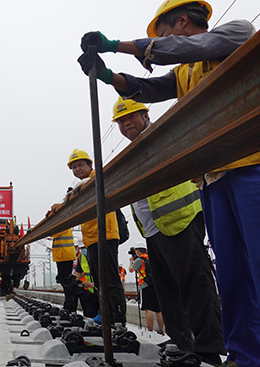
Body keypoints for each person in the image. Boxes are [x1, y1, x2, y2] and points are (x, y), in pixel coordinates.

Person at [78, 1, 257, 362]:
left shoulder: (237, 33)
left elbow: (182, 48)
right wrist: (108, 76)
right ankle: (245, 355)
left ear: (181, 19)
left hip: (252, 166)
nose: (160, 45)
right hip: (214, 177)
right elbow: (151, 87)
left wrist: (116, 45)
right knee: (234, 275)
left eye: (160, 36)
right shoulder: (186, 73)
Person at [109, 97, 225, 364]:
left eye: (131, 118)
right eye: (121, 122)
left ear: (145, 116)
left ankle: (208, 347)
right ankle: (182, 339)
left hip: (180, 218)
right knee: (167, 289)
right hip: (154, 229)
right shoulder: (134, 151)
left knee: (194, 282)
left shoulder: (163, 135)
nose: (127, 125)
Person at [51, 149, 126, 326]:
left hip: (105, 234)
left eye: (80, 165)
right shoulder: (81, 186)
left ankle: (118, 318)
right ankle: (105, 314)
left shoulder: (96, 178)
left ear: (90, 165)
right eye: (73, 167)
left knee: (109, 278)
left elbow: (85, 185)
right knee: (99, 280)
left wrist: (67, 198)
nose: (77, 169)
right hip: (91, 238)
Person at [128, 247, 164, 333]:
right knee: (158, 310)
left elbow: (131, 270)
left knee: (148, 308)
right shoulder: (151, 257)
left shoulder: (140, 260)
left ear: (138, 251)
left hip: (145, 286)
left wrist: (131, 262)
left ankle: (150, 331)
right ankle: (161, 330)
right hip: (155, 285)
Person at [51, 228, 78, 312]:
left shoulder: (63, 224)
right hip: (63, 255)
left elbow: (52, 231)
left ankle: (70, 307)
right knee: (65, 281)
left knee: (67, 282)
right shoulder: (63, 224)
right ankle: (69, 306)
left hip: (64, 255)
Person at [73, 246, 100, 318]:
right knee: (89, 314)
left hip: (101, 292)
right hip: (91, 291)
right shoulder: (81, 257)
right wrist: (73, 278)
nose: (83, 250)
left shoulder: (97, 254)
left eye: (84, 247)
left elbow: (105, 275)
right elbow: (78, 272)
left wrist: (93, 284)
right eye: (81, 248)